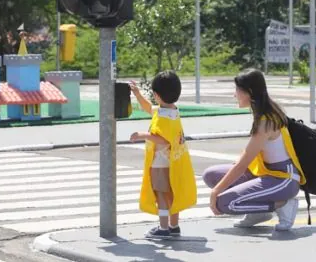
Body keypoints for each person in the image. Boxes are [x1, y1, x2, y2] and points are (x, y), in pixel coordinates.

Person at [202, 69, 306, 231]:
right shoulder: (265, 114)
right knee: (210, 175)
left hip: (283, 179)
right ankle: (257, 212)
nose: (234, 94)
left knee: (225, 203)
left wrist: (215, 192)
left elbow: (242, 166)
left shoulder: (266, 122)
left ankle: (283, 204)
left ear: (249, 92)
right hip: (265, 173)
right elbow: (245, 157)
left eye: (237, 90)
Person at [130, 71, 197, 239]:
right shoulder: (172, 111)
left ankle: (163, 227)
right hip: (175, 162)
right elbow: (149, 109)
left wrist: (142, 135)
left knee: (160, 194)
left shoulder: (162, 117)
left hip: (161, 163)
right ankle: (174, 226)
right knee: (172, 194)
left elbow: (163, 140)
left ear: (157, 95)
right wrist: (137, 94)